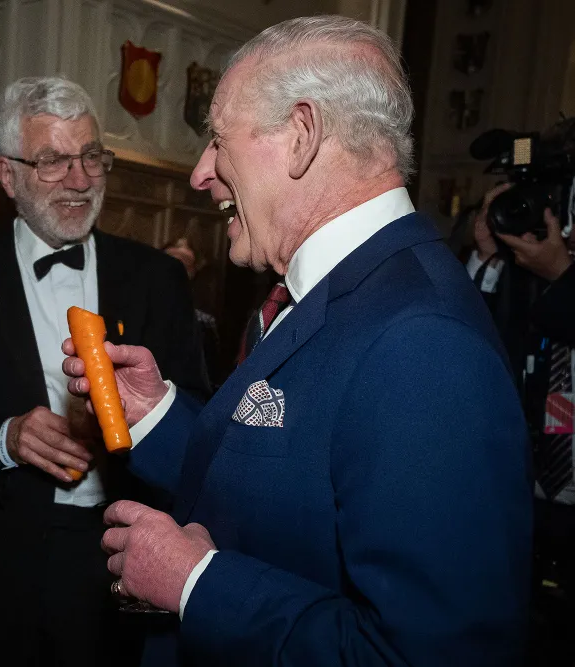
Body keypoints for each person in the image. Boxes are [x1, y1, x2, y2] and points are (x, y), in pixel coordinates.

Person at [63, 16, 532, 666]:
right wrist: (156, 417)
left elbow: (427, 652)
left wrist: (197, 582)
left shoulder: (422, 341)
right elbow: (286, 485)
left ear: (301, 137)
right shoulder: (335, 289)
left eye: (218, 140)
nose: (201, 173)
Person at [0, 76, 208, 667]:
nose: (79, 180)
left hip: (124, 553)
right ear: (7, 175)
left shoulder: (157, 279)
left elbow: (202, 414)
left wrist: (143, 421)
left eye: (91, 156)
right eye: (52, 161)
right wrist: (5, 439)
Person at [465, 182, 575, 665]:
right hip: (524, 492)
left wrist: (563, 274)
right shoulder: (525, 274)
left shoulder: (555, 273)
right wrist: (488, 256)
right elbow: (475, 341)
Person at [163, 238, 221, 389]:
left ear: (193, 272)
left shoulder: (204, 322)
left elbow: (209, 376)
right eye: (169, 261)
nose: (175, 270)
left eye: (184, 264)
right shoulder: (136, 308)